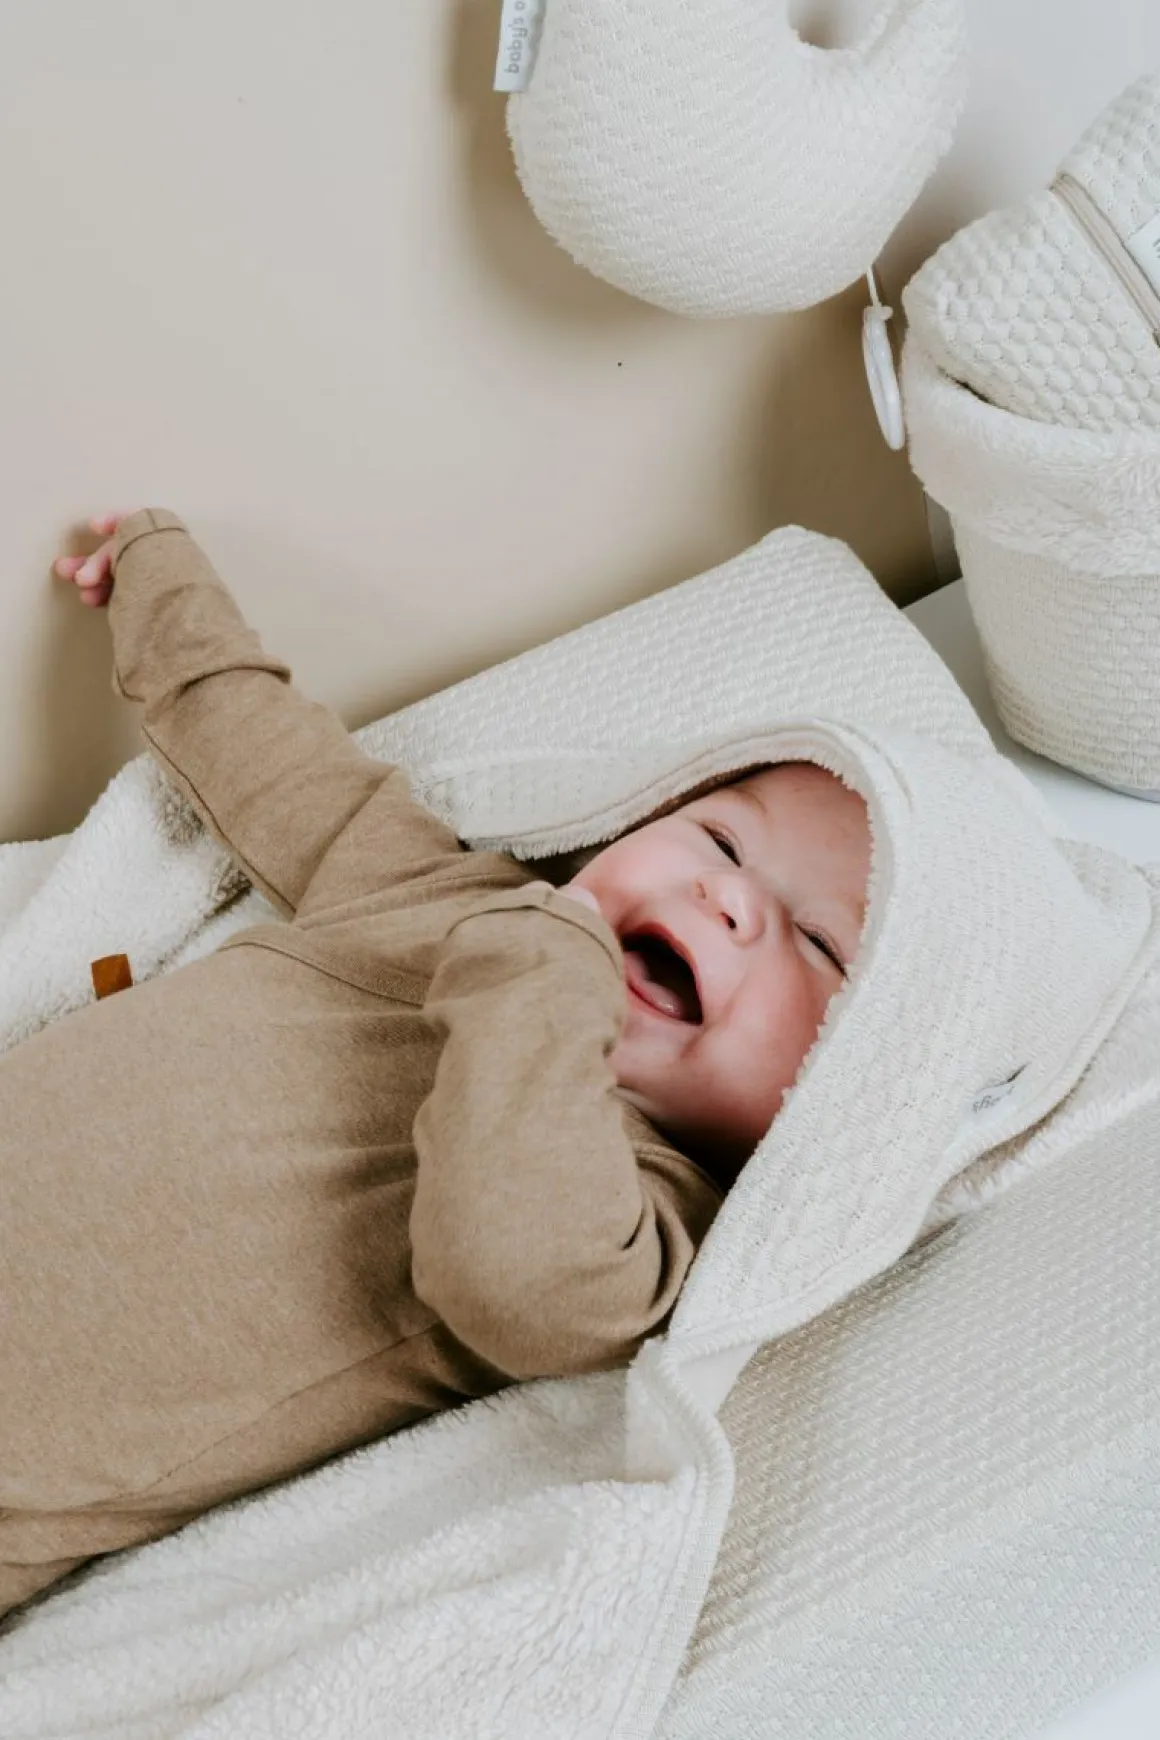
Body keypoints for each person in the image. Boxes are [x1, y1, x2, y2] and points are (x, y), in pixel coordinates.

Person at [0, 510, 870, 1622]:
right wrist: (158, 576)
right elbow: (279, 764)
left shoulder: (647, 1213)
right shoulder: (450, 898)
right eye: (720, 838)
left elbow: (517, 1283)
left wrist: (542, 973)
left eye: (820, 943)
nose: (730, 896)